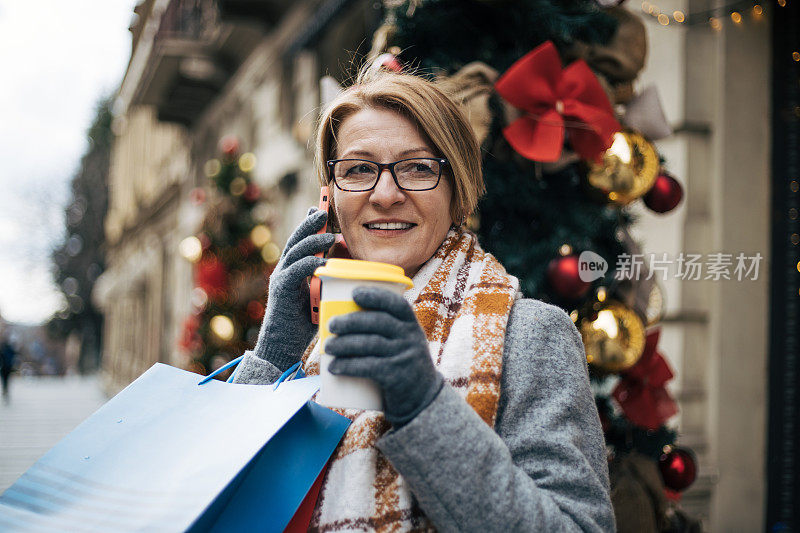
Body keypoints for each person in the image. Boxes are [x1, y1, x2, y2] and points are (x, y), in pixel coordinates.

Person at [233, 68, 615, 532]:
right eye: (358, 169)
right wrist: (272, 361)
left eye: (417, 168)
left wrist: (424, 405)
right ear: (329, 198)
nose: (386, 194)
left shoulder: (531, 335)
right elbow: (221, 508)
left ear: (458, 193)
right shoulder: (310, 340)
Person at [1, 334, 17, 403]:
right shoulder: (11, 350)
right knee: (7, 379)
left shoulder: (2, 350)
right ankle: (6, 389)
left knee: (4, 380)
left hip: (3, 367)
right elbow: (15, 356)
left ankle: (5, 389)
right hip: (8, 367)